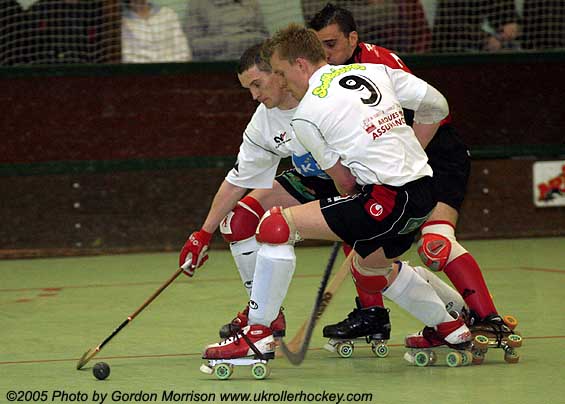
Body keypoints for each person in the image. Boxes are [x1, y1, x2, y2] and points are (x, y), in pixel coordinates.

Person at [182, 23, 474, 364]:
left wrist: (360, 202)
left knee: (276, 227)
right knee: (370, 269)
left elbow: (345, 184)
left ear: (297, 65)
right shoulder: (373, 71)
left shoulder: (308, 114)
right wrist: (411, 151)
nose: (270, 87)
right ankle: (453, 327)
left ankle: (258, 334)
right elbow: (437, 105)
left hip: (381, 198)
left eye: (276, 74)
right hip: (422, 190)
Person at [308, 3, 516, 350]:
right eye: (319, 47)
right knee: (356, 226)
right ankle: (375, 314)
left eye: (331, 44)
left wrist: (408, 158)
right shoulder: (328, 75)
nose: (324, 55)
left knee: (435, 244)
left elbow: (432, 110)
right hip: (395, 165)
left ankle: (488, 319)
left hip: (435, 152)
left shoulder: (378, 64)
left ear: (353, 38)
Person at [185, 0, 269, 61]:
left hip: (254, 65)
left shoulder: (251, 2)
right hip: (219, 68)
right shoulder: (198, 3)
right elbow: (194, 46)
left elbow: (264, 39)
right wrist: (232, 42)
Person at [431, 0, 520, 53]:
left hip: (484, 50)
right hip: (451, 52)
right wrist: (486, 39)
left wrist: (512, 25)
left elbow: (506, 11)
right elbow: (455, 23)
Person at [122, 0, 192, 63]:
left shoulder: (167, 14)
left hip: (174, 70)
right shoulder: (122, 23)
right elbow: (127, 58)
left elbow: (183, 51)